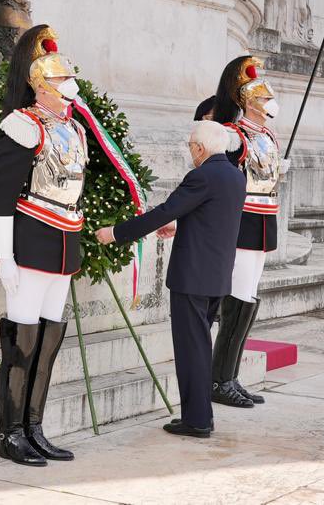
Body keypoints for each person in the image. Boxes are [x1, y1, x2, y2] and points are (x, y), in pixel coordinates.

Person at [0, 25, 85, 466]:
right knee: (22, 341)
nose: (68, 86)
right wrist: (3, 254)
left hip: (64, 241)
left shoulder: (73, 129)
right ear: (40, 84)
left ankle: (35, 426)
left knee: (49, 338)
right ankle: (12, 431)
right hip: (31, 239)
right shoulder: (22, 125)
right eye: (60, 80)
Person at [96, 121, 246, 438]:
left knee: (191, 350)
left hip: (192, 278)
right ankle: (199, 415)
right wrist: (181, 227)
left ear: (200, 148)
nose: (190, 151)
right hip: (216, 275)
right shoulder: (234, 174)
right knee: (199, 347)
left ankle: (197, 421)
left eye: (191, 145)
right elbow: (215, 219)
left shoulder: (202, 174)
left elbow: (165, 210)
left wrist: (116, 233)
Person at [195, 56, 289, 409]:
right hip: (243, 219)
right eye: (264, 99)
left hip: (264, 218)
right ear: (248, 101)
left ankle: (230, 375)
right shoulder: (234, 136)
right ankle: (219, 379)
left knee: (248, 297)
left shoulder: (267, 136)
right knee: (237, 297)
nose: (269, 104)